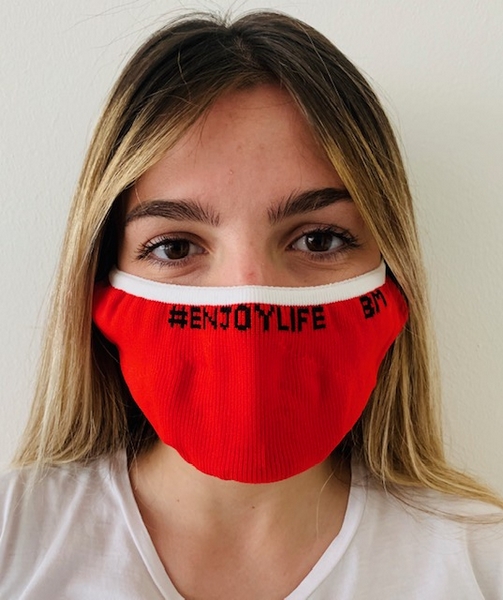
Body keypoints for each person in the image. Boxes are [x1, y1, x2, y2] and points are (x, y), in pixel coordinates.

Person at [1, 10, 502, 600]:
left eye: (319, 240)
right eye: (175, 247)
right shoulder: (14, 544)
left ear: (393, 280)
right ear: (100, 285)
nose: (248, 294)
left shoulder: (482, 565)